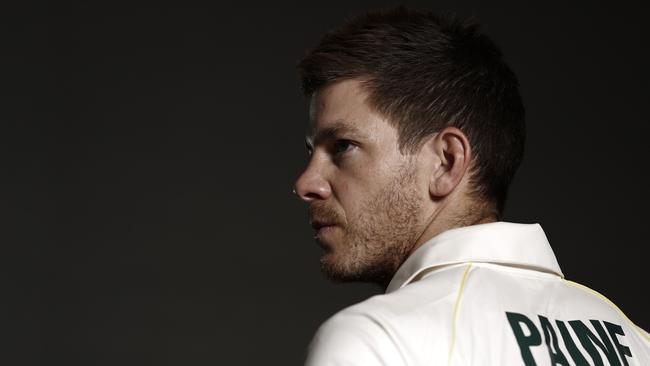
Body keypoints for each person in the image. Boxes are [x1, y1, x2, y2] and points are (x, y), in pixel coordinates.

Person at [292, 6, 650, 366]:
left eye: (342, 147)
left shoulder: (376, 338)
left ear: (446, 162)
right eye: (312, 151)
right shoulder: (639, 343)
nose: (306, 182)